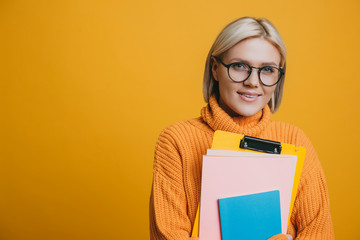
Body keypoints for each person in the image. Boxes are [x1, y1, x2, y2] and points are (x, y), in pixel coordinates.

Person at [149, 17, 334, 240]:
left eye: (267, 70)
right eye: (240, 66)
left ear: (278, 77)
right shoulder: (177, 140)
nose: (253, 82)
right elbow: (168, 234)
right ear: (215, 69)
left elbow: (319, 232)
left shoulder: (295, 140)